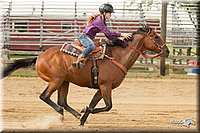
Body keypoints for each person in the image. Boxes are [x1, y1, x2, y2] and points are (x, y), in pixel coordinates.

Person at [72, 3, 132, 68]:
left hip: (87, 37)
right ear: (104, 12)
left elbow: (108, 34)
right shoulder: (99, 21)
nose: (110, 15)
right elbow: (108, 34)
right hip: (84, 37)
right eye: (109, 13)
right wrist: (121, 34)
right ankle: (80, 58)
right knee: (91, 46)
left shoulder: (102, 21)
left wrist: (118, 37)